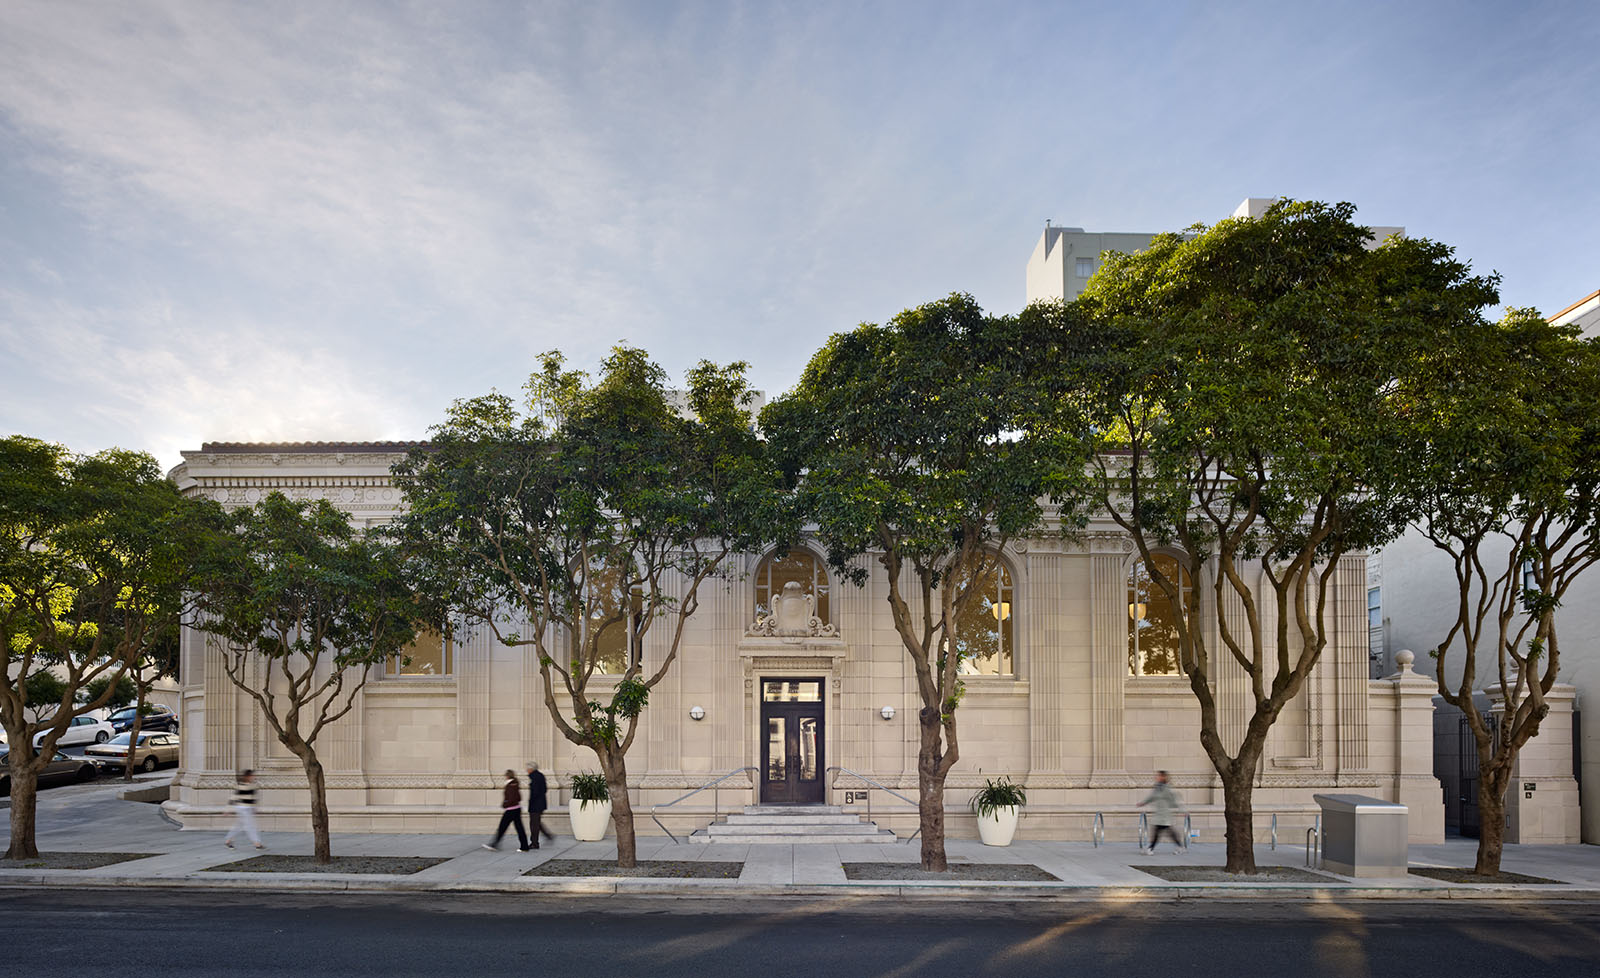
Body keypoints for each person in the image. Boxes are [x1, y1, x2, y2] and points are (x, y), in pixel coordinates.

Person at [1137, 770, 1186, 854]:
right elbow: (1152, 797)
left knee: (1159, 831)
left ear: (1163, 777)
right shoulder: (1157, 787)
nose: (1157, 777)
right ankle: (1180, 846)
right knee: (1168, 832)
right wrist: (1143, 803)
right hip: (1159, 814)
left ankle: (1151, 848)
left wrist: (1182, 810)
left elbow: (1175, 800)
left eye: (1159, 776)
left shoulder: (1168, 788)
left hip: (1165, 814)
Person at [483, 768, 529, 851]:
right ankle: (524, 846)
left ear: (507, 776)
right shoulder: (515, 784)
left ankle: (494, 845)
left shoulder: (509, 786)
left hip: (511, 810)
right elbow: (519, 798)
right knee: (519, 828)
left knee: (502, 828)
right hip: (517, 809)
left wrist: (505, 804)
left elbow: (510, 799)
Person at [223, 769, 265, 850]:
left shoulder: (253, 785)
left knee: (239, 826)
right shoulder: (239, 785)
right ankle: (257, 844)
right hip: (242, 808)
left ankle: (228, 840)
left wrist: (254, 807)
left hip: (248, 808)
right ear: (247, 776)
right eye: (252, 776)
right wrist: (227, 809)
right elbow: (233, 797)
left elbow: (254, 798)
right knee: (250, 826)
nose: (253, 777)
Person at [526, 761, 554, 848]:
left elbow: (535, 792)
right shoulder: (540, 775)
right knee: (536, 823)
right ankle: (547, 836)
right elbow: (544, 789)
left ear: (531, 769)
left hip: (535, 805)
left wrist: (531, 802)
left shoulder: (534, 777)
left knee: (534, 824)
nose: (527, 770)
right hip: (540, 803)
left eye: (528, 768)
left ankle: (534, 843)